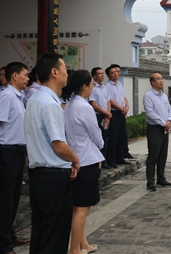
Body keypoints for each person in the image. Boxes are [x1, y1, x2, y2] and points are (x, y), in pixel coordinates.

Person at [24, 52, 80, 254]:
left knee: (42, 232)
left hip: (39, 175)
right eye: (65, 69)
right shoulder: (50, 104)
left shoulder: (35, 99)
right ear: (54, 72)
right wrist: (75, 160)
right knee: (55, 235)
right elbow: (59, 145)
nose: (67, 73)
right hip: (53, 177)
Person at [0, 61, 31, 254]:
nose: (27, 78)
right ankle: (2, 244)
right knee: (5, 199)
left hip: (17, 151)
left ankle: (9, 235)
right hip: (6, 151)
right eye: (25, 75)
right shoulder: (7, 96)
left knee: (13, 198)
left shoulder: (18, 97)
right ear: (15, 76)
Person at [63, 70, 104, 254]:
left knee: (78, 206)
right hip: (86, 159)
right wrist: (101, 145)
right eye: (91, 84)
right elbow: (95, 133)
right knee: (82, 208)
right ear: (84, 86)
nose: (92, 87)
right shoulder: (84, 106)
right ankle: (74, 250)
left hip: (76, 157)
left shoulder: (70, 104)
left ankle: (83, 244)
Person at [142, 73, 171, 192]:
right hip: (154, 129)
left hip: (165, 129)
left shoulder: (164, 96)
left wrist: (169, 120)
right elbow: (150, 113)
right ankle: (150, 182)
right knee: (153, 156)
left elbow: (169, 110)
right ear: (152, 82)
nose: (161, 81)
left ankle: (161, 178)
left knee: (163, 155)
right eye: (158, 79)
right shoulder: (148, 96)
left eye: (162, 79)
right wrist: (163, 123)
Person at [104, 64, 130, 168]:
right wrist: (120, 108)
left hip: (121, 113)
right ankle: (111, 160)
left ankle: (120, 157)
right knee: (113, 137)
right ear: (108, 75)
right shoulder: (107, 86)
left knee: (122, 136)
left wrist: (127, 107)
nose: (116, 74)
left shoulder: (119, 84)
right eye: (112, 73)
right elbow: (110, 100)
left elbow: (124, 97)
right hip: (114, 113)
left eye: (117, 72)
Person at [88, 67, 111, 168]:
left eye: (102, 73)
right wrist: (106, 113)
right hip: (98, 115)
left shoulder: (105, 87)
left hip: (106, 116)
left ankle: (105, 160)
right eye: (99, 74)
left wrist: (108, 114)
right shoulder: (93, 88)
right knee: (98, 137)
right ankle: (99, 160)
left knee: (106, 137)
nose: (102, 75)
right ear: (94, 76)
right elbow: (93, 104)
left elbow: (108, 101)